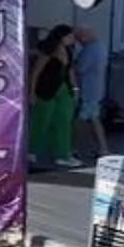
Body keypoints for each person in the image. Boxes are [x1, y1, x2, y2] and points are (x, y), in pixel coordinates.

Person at [29, 25, 78, 168]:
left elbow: (70, 71)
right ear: (62, 37)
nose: (72, 39)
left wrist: (75, 89)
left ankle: (62, 154)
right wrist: (31, 93)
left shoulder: (69, 51)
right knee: (42, 119)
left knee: (63, 120)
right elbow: (36, 72)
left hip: (63, 88)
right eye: (69, 36)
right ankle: (33, 150)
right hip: (46, 89)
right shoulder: (49, 51)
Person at [71, 24, 110, 157]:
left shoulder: (89, 50)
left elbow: (79, 68)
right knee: (94, 118)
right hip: (97, 89)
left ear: (84, 36)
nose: (78, 41)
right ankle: (103, 148)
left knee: (79, 119)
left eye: (78, 38)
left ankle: (73, 147)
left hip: (88, 89)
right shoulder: (101, 47)